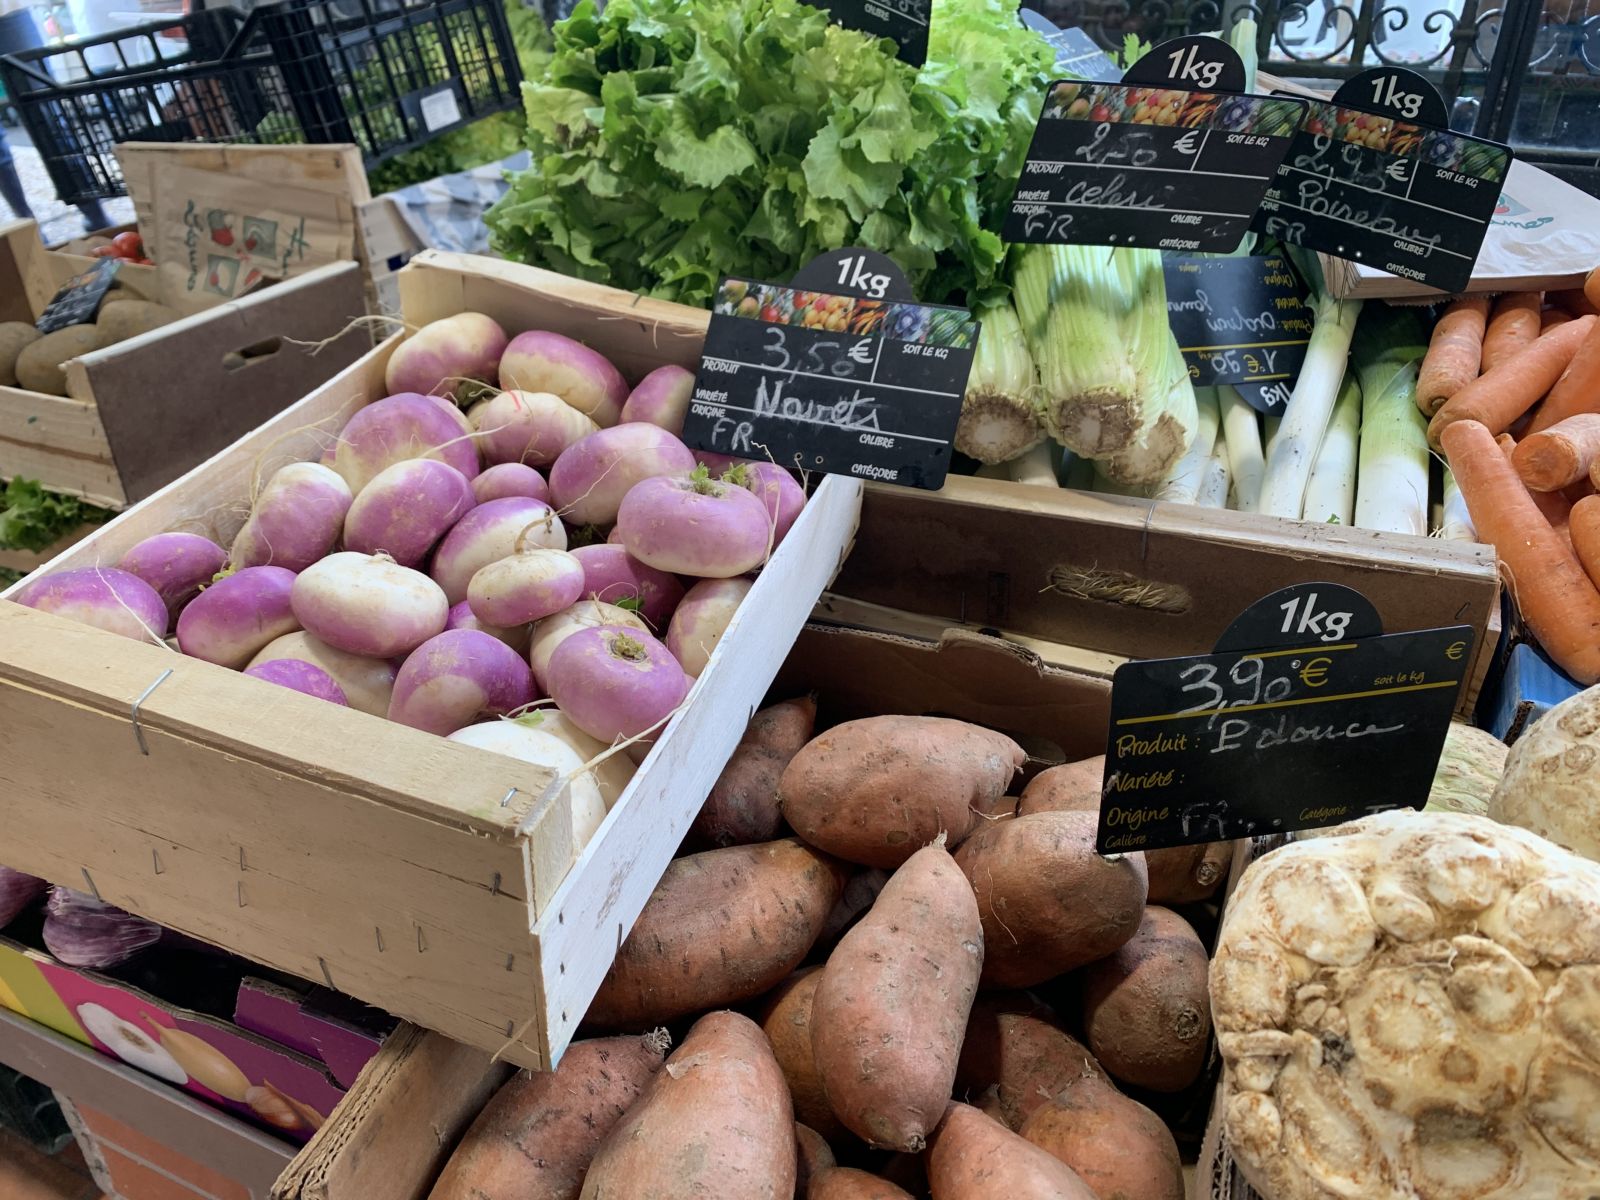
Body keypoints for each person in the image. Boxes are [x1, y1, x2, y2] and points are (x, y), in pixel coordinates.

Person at [0, 0, 112, 233]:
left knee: (47, 116)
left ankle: (96, 216)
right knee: (46, 115)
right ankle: (27, 229)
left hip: (7, 11)